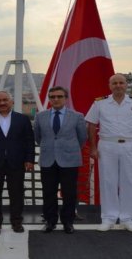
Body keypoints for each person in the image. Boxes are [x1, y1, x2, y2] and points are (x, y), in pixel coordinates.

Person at [85, 73, 132, 232]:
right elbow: (91, 126)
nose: (118, 85)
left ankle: (127, 218)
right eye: (114, 83)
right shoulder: (100, 103)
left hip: (130, 145)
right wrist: (93, 148)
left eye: (121, 82)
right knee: (108, 182)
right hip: (107, 145)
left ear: (126, 85)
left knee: (129, 181)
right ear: (110, 86)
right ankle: (108, 218)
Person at [0, 91, 35, 234]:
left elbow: (29, 141)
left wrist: (30, 159)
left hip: (17, 163)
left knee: (17, 194)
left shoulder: (23, 119)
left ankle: (16, 222)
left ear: (11, 102)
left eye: (5, 100)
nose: (2, 103)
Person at [34, 86, 87, 234]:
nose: (55, 99)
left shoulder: (77, 116)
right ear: (49, 99)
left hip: (69, 160)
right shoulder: (40, 116)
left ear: (65, 98)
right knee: (48, 192)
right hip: (48, 159)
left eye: (59, 96)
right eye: (52, 97)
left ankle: (68, 222)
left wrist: (68, 148)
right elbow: (38, 137)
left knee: (69, 193)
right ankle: (50, 221)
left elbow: (82, 138)